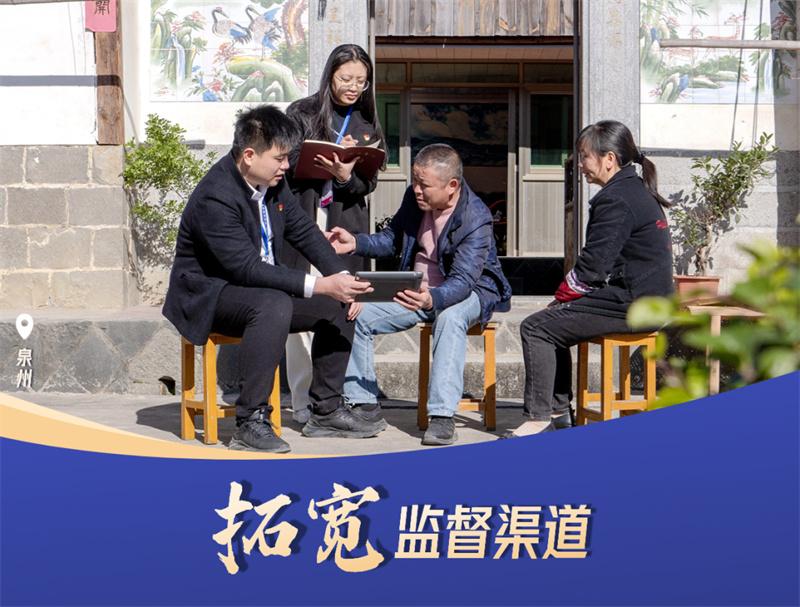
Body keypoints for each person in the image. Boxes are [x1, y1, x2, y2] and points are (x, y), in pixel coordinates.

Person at [162, 105, 383, 453]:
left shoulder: (273, 185)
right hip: (211, 295)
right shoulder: (216, 195)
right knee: (273, 303)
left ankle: (326, 410)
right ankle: (250, 421)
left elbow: (305, 232)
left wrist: (341, 277)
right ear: (249, 155)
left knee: (338, 305)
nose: (286, 166)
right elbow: (246, 269)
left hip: (260, 291)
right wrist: (321, 285)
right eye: (279, 158)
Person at [328, 144, 512, 446]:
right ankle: (364, 406)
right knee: (354, 312)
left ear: (452, 186)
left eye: (424, 185)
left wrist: (432, 299)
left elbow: (463, 281)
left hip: (472, 291)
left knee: (450, 318)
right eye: (415, 181)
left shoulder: (476, 216)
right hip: (417, 289)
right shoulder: (415, 200)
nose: (416, 190)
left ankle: (441, 416)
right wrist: (356, 243)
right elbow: (392, 239)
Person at [507, 120, 674, 437]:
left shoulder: (616, 199)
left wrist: (561, 297)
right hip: (648, 300)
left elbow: (592, 269)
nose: (580, 165)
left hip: (634, 304)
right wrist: (563, 303)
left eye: (584, 156)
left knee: (536, 327)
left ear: (609, 159)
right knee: (551, 322)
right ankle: (558, 414)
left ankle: (539, 418)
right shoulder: (634, 190)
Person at [282, 44, 386, 425]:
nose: (353, 87)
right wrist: (324, 160)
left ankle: (331, 398)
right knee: (301, 304)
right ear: (330, 76)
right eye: (346, 79)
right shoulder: (302, 112)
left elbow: (367, 183)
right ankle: (301, 401)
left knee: (343, 305)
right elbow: (285, 162)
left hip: (344, 224)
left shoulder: (367, 122)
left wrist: (345, 176)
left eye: (361, 81)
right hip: (304, 219)